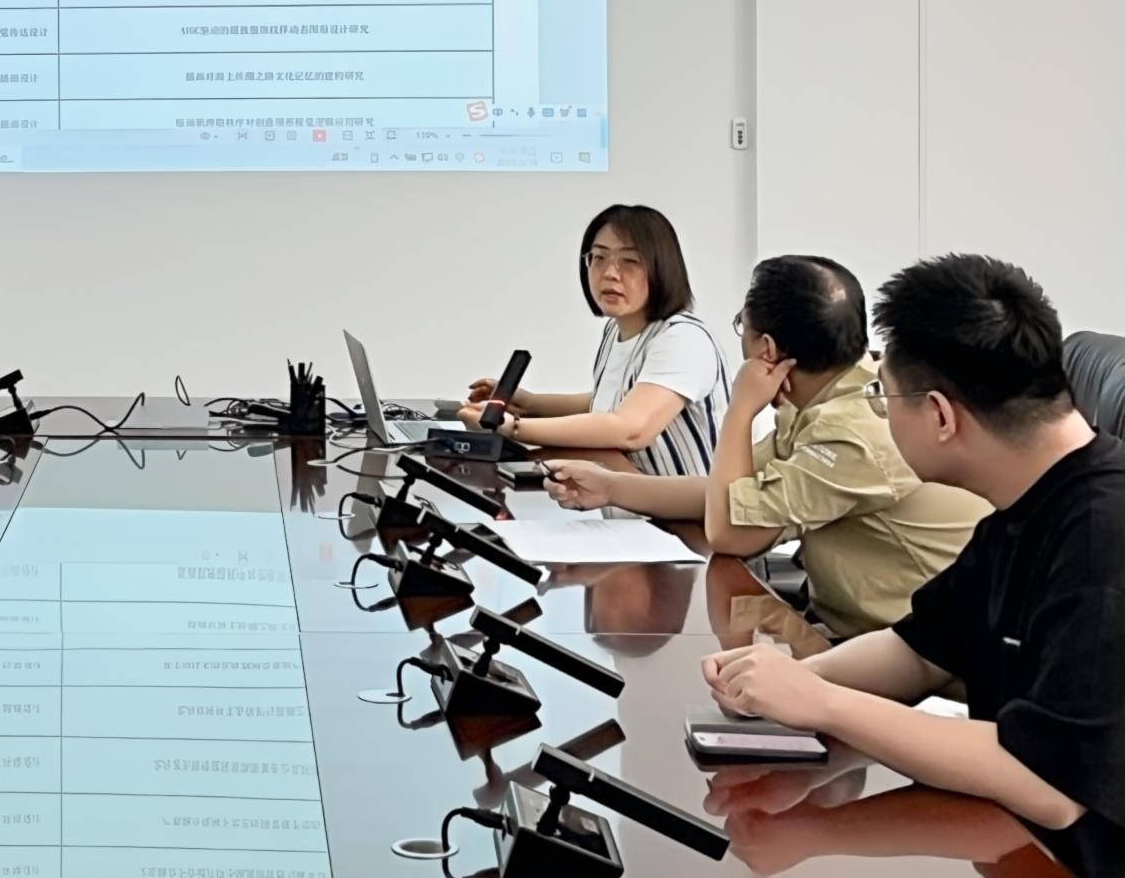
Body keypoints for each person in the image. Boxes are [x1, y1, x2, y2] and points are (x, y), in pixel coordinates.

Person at [701, 255, 1125, 875]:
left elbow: (1051, 784)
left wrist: (821, 706)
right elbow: (921, 650)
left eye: (882, 395)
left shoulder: (1100, 541)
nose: (880, 412)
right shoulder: (1023, 507)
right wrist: (782, 686)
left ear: (940, 416)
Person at [544, 256, 988, 636]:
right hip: (842, 624)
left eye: (743, 325)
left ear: (767, 350)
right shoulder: (829, 394)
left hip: (908, 647)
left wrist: (741, 410)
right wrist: (610, 487)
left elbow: (730, 532)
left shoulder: (850, 433)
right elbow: (730, 494)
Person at [460, 204, 728, 475]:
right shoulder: (615, 330)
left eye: (630, 261)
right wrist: (528, 404)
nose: (610, 273)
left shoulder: (683, 339)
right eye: (599, 257)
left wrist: (514, 427)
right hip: (627, 496)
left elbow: (630, 429)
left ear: (662, 267)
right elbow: (608, 403)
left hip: (683, 503)